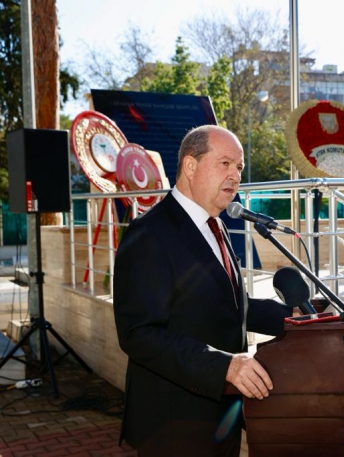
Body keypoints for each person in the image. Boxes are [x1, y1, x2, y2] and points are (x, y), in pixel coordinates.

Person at [113, 125, 292, 456]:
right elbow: (139, 334)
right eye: (224, 163)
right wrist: (223, 366)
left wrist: (295, 317)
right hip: (174, 424)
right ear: (190, 166)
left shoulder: (216, 224)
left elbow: (232, 306)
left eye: (239, 167)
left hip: (221, 414)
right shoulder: (149, 234)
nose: (235, 176)